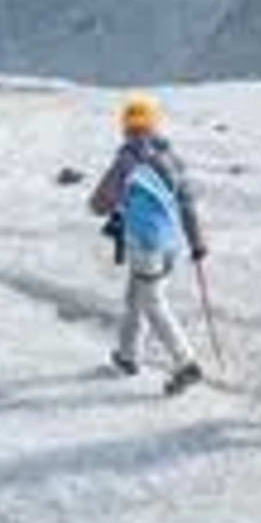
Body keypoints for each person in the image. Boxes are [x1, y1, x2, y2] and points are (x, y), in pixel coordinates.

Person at [88, 96, 206, 391]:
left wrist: (100, 205)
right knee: (136, 298)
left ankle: (186, 362)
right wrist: (197, 242)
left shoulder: (127, 161)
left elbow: (101, 202)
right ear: (154, 125)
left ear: (125, 127)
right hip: (170, 245)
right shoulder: (173, 159)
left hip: (145, 244)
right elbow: (188, 203)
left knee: (153, 303)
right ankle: (128, 355)